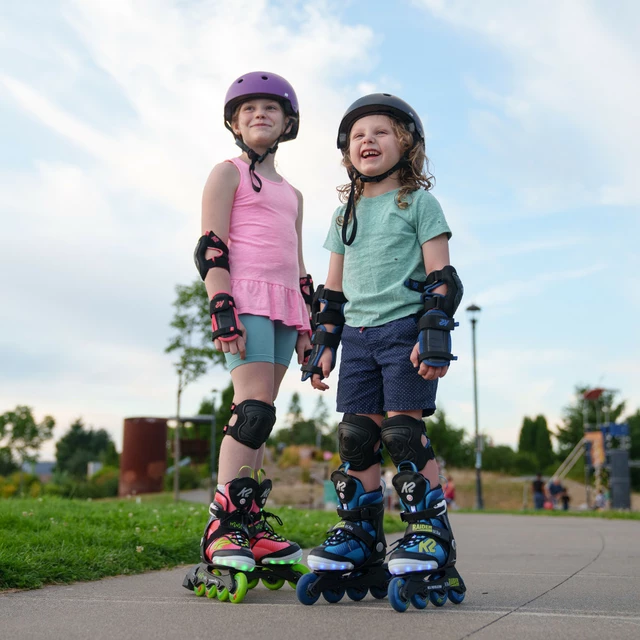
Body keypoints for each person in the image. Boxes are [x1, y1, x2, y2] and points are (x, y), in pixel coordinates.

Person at [299, 94, 465, 606]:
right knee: (356, 435)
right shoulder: (343, 214)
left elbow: (442, 278)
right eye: (357, 135)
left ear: (407, 144)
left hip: (402, 331)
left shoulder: (418, 204)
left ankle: (429, 531)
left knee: (402, 431)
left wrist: (433, 332)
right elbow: (333, 291)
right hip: (357, 337)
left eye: (382, 132)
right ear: (347, 152)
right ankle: (361, 533)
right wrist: (324, 342)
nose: (367, 140)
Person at [191, 72, 312, 582]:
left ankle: (250, 521)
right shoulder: (228, 173)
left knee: (263, 414)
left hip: (286, 305)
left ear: (288, 123)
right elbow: (211, 245)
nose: (259, 114)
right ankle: (224, 524)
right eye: (248, 109)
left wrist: (310, 324)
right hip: (247, 298)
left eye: (270, 107)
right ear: (234, 123)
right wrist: (221, 302)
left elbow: (298, 259)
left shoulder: (294, 194)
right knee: (252, 409)